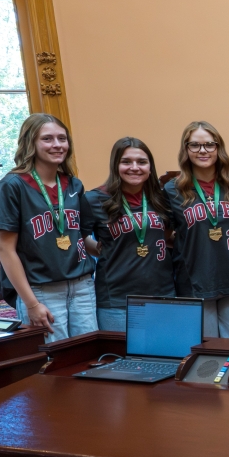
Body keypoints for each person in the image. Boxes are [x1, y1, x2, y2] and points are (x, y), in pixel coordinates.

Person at [0, 113, 96, 341]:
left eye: (62, 138)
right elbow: (5, 251)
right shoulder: (12, 186)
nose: (57, 145)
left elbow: (82, 236)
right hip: (42, 290)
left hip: (82, 287)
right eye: (47, 139)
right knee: (55, 363)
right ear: (31, 143)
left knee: (89, 358)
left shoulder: (73, 184)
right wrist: (31, 304)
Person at [166, 122, 229, 337]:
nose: (202, 150)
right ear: (186, 150)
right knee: (206, 352)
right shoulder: (172, 189)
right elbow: (166, 234)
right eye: (194, 145)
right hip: (195, 283)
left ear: (218, 148)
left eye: (209, 145)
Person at [87, 138, 177, 331]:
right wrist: (98, 249)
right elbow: (77, 237)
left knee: (165, 358)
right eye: (126, 161)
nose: (134, 167)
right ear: (115, 165)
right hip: (118, 300)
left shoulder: (162, 199)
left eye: (142, 162)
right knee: (120, 359)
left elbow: (166, 233)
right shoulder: (94, 199)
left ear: (150, 167)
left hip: (163, 295)